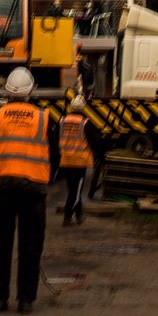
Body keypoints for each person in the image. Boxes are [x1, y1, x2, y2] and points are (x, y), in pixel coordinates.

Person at [0, 66, 59, 314]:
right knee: (30, 245)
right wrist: (47, 178)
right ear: (31, 91)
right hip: (33, 189)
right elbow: (56, 154)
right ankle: (25, 300)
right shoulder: (44, 118)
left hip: (1, 186)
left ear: (8, 90)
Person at [58, 95, 102, 224]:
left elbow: (57, 139)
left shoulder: (62, 121)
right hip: (79, 161)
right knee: (76, 191)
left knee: (73, 189)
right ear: (83, 108)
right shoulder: (85, 123)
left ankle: (79, 215)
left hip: (65, 159)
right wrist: (99, 155)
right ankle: (68, 216)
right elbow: (95, 141)